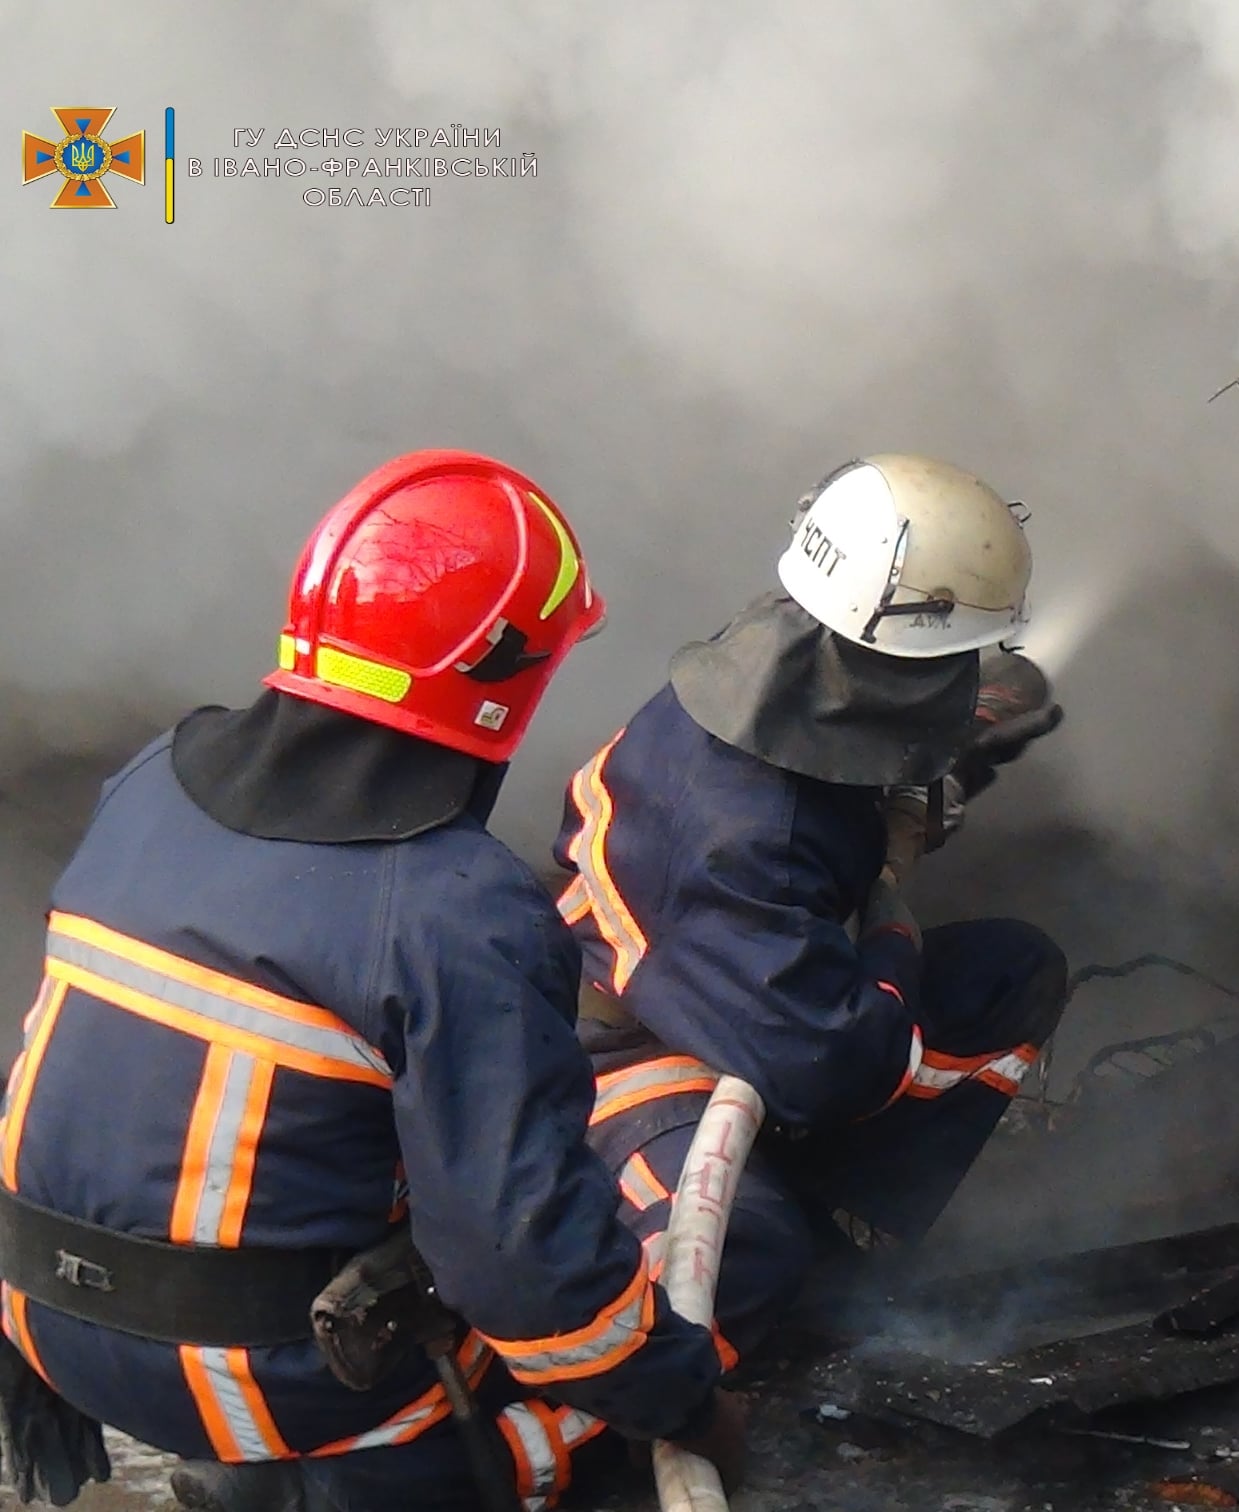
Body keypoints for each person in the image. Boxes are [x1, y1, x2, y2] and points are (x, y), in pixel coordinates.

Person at [0, 451, 740, 1512]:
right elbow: (524, 1274)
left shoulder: (154, 778)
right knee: (595, 1392)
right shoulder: (456, 909)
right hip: (257, 1387)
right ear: (506, 677)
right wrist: (694, 1403)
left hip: (40, 1319)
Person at [553, 453, 1068, 1362]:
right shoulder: (748, 836)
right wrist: (893, 925)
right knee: (748, 1251)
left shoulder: (771, 651)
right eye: (952, 663)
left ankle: (842, 1211)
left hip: (729, 982)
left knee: (1010, 974)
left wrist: (945, 766)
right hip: (625, 1060)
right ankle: (795, 1283)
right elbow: (832, 1063)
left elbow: (837, 768)